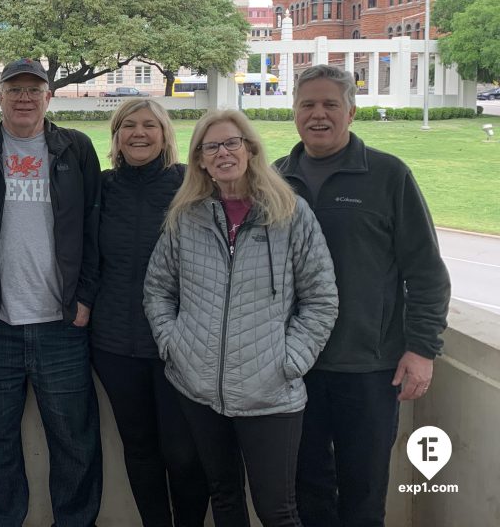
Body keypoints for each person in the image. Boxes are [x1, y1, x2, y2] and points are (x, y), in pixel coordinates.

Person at [143, 109, 338, 527]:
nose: (222, 153)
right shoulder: (186, 216)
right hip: (198, 389)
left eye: (232, 142)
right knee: (225, 499)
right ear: (199, 159)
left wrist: (290, 361)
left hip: (270, 392)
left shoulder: (290, 212)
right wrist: (174, 344)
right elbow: (158, 288)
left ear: (250, 148)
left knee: (277, 510)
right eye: (210, 147)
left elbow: (321, 298)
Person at [276, 65, 451, 527]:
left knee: (364, 491)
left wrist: (422, 349)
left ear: (351, 111)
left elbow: (427, 272)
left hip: (369, 368)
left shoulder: (389, 175)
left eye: (330, 104)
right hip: (295, 368)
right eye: (307, 104)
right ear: (294, 112)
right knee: (305, 489)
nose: (318, 114)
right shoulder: (275, 180)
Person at [0, 57, 103, 527]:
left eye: (35, 89)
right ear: (0, 97)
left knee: (76, 444)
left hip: (62, 326)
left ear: (49, 97)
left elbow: (93, 227)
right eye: (15, 90)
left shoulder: (76, 149)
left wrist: (86, 298)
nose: (25, 98)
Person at [92, 99, 210, 527]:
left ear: (165, 135)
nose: (138, 133)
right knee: (139, 449)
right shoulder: (101, 187)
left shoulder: (190, 185)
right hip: (114, 345)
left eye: (149, 125)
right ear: (117, 136)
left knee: (182, 451)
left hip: (177, 344)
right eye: (128, 126)